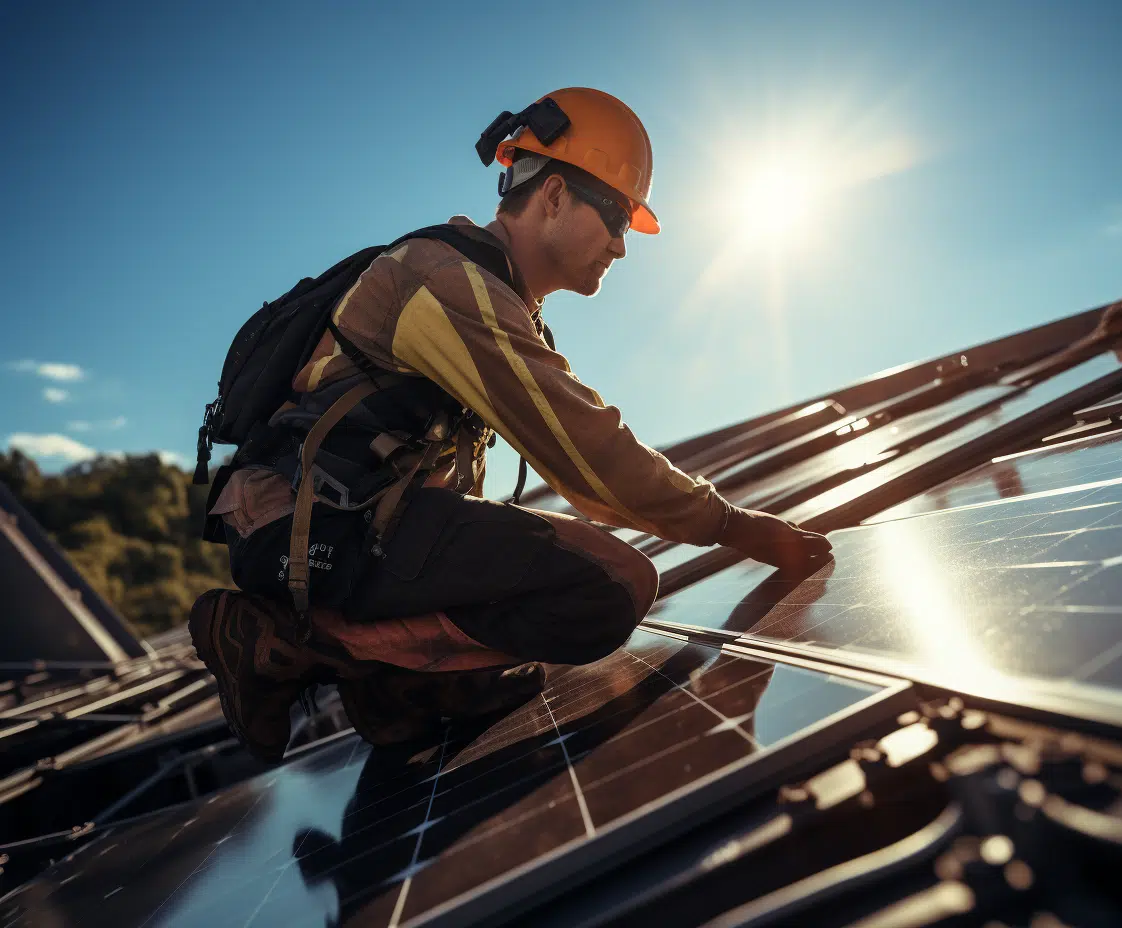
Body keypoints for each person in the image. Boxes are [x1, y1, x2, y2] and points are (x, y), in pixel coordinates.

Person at [190, 87, 833, 763]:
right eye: (614, 215)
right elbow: (587, 457)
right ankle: (281, 644)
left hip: (342, 530)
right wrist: (732, 526)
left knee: (572, 572)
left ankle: (398, 688)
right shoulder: (446, 282)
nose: (620, 244)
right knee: (612, 586)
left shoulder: (490, 296)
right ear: (553, 195)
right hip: (312, 534)